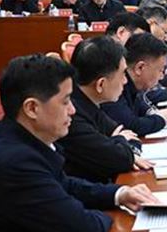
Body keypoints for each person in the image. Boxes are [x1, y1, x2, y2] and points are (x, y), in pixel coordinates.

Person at [0, 54, 157, 232]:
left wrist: (118, 194)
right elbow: (86, 231)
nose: (73, 110)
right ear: (32, 108)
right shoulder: (15, 162)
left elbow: (65, 184)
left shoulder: (18, 140)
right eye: (66, 101)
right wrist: (112, 218)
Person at [58, 37, 149, 182]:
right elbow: (120, 159)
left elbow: (129, 136)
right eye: (122, 74)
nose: (126, 81)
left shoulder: (88, 101)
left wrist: (118, 142)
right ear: (101, 84)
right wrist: (120, 140)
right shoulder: (71, 115)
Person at [101, 33, 167, 137]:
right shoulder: (115, 85)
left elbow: (141, 107)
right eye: (160, 70)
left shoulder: (134, 85)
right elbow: (131, 125)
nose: (162, 77)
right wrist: (161, 119)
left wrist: (154, 113)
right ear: (140, 68)